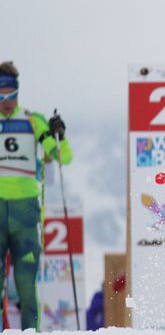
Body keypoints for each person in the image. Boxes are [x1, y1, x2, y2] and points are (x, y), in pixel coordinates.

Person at [0, 61, 72, 330]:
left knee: (26, 287)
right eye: (1, 97)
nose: (6, 103)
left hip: (25, 215)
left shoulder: (32, 121)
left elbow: (63, 157)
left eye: (11, 96)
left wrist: (59, 134)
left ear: (17, 93)